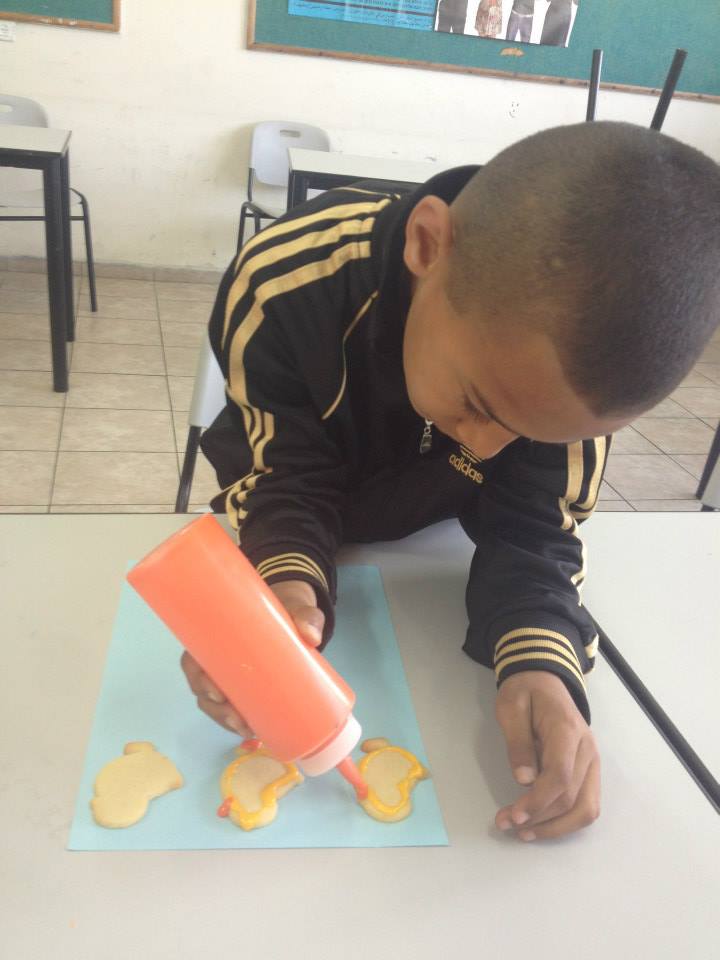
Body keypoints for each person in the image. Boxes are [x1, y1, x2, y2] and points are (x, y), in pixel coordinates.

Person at [184, 122, 720, 843]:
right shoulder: (288, 281)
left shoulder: (581, 370)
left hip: (422, 561)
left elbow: (533, 529)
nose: (486, 445)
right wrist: (286, 590)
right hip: (301, 509)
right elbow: (287, 478)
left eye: (531, 433)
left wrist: (540, 659)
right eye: (478, 403)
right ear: (425, 245)